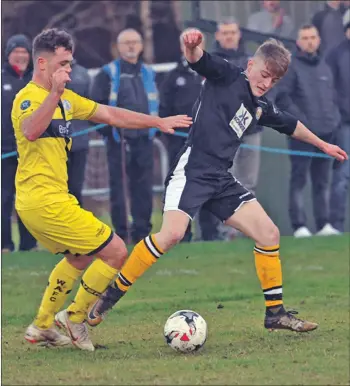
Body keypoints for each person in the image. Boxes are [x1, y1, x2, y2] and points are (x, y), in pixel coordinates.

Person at [88, 29, 347, 334]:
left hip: (220, 179)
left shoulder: (259, 105)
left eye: (273, 81)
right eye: (263, 74)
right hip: (193, 172)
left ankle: (275, 313)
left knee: (268, 233)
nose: (266, 83)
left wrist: (323, 145)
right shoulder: (227, 75)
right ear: (251, 65)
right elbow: (200, 61)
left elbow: (292, 124)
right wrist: (192, 48)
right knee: (171, 235)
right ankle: (109, 296)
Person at [12, 28, 192, 351]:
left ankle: (41, 326)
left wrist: (156, 121)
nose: (69, 70)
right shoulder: (28, 98)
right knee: (117, 251)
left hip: (49, 200)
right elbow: (31, 130)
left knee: (79, 259)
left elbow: (110, 114)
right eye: (63, 64)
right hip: (43, 201)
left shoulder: (68, 100)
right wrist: (53, 94)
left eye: (70, 63)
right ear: (42, 64)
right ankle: (75, 317)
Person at [272, 25, 341, 237]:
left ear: (318, 40)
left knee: (322, 181)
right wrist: (302, 122)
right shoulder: (290, 68)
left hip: (326, 133)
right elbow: (283, 98)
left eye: (313, 37)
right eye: (305, 37)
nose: (309, 41)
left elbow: (332, 98)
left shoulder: (324, 67)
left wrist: (334, 120)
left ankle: (323, 224)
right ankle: (299, 225)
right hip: (301, 134)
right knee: (299, 180)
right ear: (298, 41)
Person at [91, 28, 158, 245]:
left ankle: (142, 231)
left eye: (135, 42)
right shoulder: (107, 73)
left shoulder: (148, 72)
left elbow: (158, 104)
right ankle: (122, 232)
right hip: (118, 142)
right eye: (126, 43)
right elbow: (94, 108)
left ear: (141, 45)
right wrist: (109, 133)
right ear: (118, 47)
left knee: (144, 187)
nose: (131, 46)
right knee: (119, 188)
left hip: (144, 141)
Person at [159, 29, 219, 242]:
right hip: (181, 142)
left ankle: (211, 233)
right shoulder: (174, 76)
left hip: (210, 141)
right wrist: (172, 134)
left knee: (210, 184)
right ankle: (182, 234)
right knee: (181, 188)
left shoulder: (214, 71)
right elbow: (164, 109)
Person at [1, 34, 38, 253]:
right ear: (8, 55)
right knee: (5, 198)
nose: (21, 56)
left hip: (30, 151)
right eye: (17, 52)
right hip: (5, 151)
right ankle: (5, 244)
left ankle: (29, 244)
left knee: (29, 198)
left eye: (25, 52)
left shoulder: (35, 80)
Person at [326, 21, 350, 233]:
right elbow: (330, 91)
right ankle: (337, 225)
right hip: (345, 124)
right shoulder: (336, 55)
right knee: (342, 176)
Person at [66, 59, 91, 206]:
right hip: (52, 144)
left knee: (76, 189)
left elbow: (92, 105)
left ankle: (75, 227)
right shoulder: (41, 74)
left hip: (79, 142)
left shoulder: (82, 73)